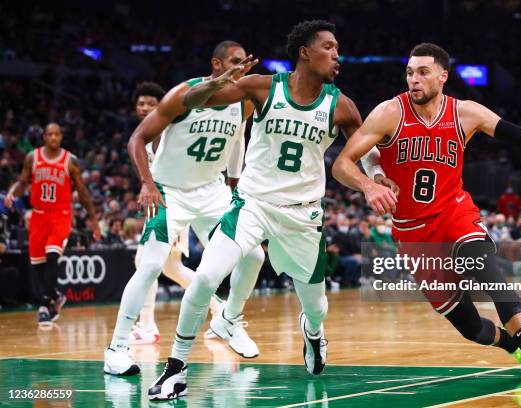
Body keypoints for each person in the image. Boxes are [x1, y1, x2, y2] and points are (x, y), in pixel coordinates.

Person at [148, 20, 393, 401]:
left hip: (302, 214)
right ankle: (176, 368)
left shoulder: (340, 104)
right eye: (329, 47)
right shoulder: (264, 87)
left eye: (338, 48)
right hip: (253, 204)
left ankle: (312, 333)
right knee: (205, 278)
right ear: (305, 52)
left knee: (317, 306)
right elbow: (192, 103)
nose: (337, 55)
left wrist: (377, 177)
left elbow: (367, 148)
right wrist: (215, 82)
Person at [332, 42, 521, 399]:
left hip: (454, 212)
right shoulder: (389, 112)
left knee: (486, 266)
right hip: (412, 233)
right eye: (409, 72)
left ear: (443, 76)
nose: (414, 79)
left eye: (423, 72)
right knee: (470, 327)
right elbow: (342, 163)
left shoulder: (466, 112)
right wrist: (367, 185)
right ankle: (513, 347)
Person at [104, 41, 266, 376]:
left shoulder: (244, 102)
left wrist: (234, 181)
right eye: (234, 62)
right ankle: (117, 349)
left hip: (212, 191)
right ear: (216, 64)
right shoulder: (183, 94)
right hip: (168, 192)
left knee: (253, 255)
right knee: (150, 266)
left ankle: (228, 320)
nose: (241, 67)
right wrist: (148, 184)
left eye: (244, 62)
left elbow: (239, 140)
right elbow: (137, 138)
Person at [127, 81, 229, 346]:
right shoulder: (146, 134)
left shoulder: (172, 128)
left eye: (151, 103)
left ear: (161, 105)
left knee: (144, 261)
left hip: (177, 205)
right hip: (163, 204)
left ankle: (147, 327)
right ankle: (219, 309)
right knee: (172, 268)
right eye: (140, 103)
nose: (145, 107)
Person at [4, 123, 101, 327]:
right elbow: (23, 182)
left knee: (52, 254)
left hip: (61, 215)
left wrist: (93, 221)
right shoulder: (33, 157)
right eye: (50, 134)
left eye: (57, 134)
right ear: (44, 137)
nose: (54, 137)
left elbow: (82, 192)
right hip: (38, 216)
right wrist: (13, 193)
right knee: (37, 264)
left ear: (61, 137)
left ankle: (44, 305)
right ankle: (56, 296)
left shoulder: (70, 161)